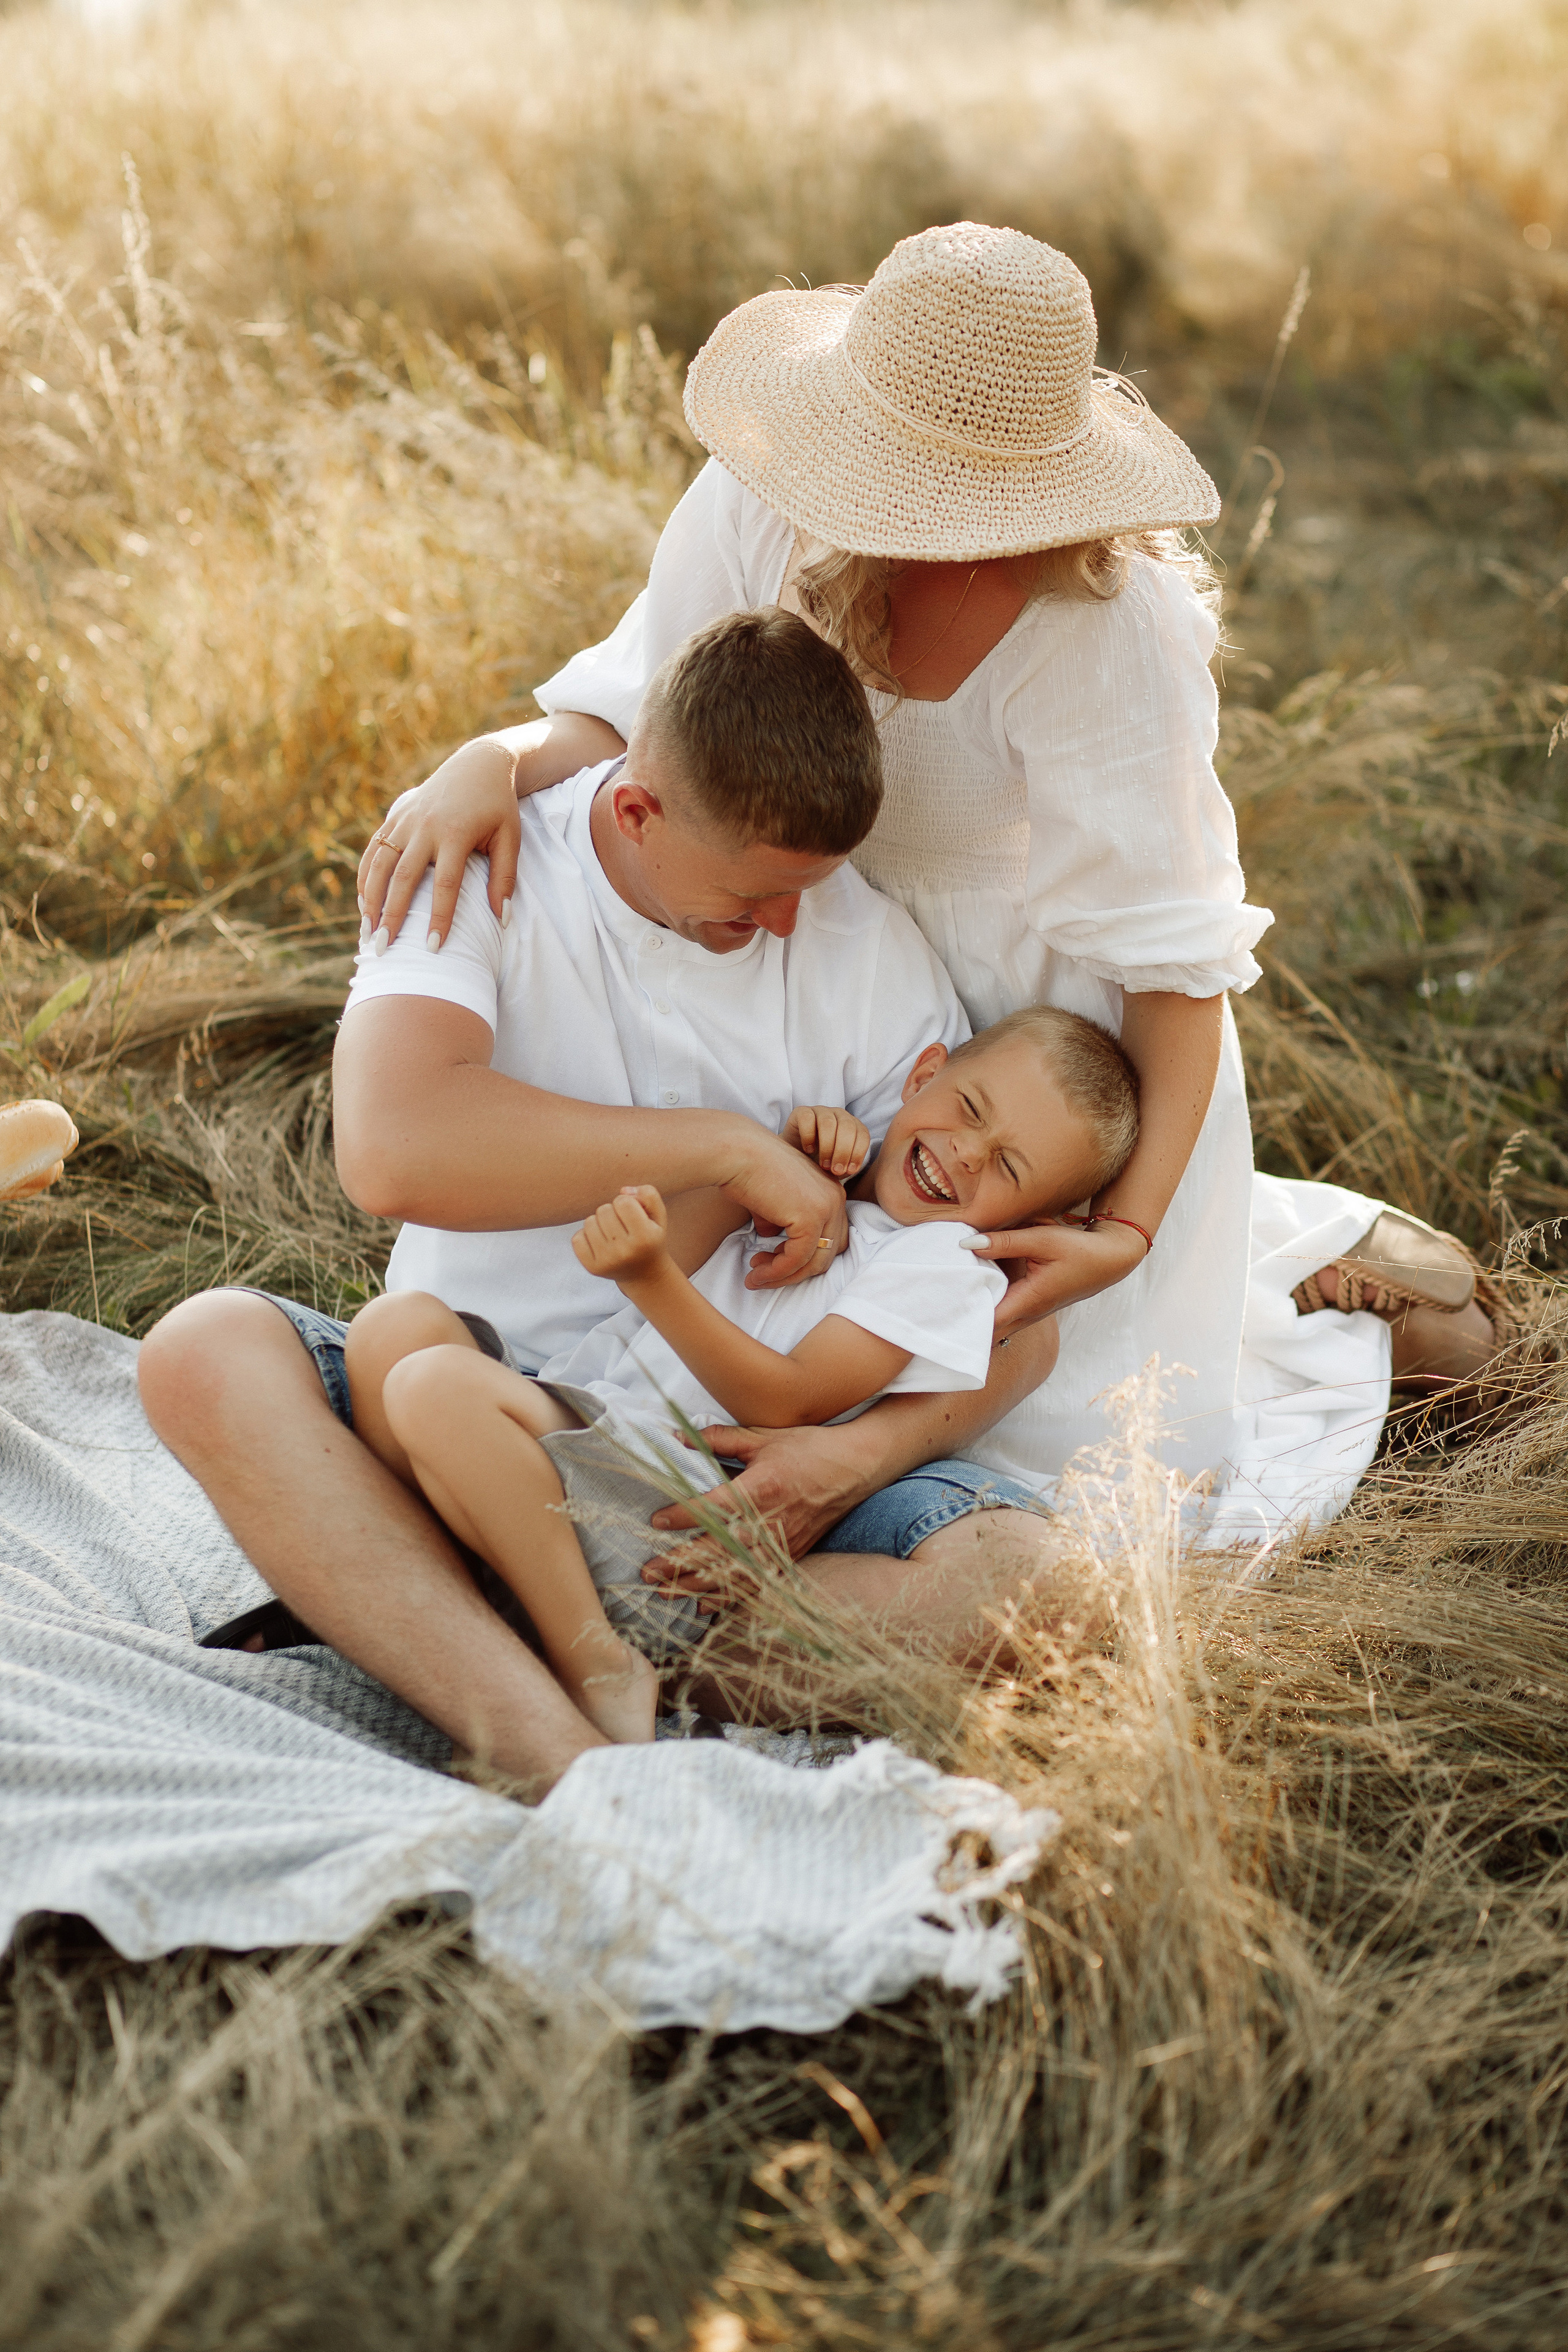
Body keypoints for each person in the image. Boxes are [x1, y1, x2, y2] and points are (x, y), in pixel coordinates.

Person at [358, 221, 1513, 1558]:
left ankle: (1319, 1318)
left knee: (1025, 1395)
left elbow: (1171, 971)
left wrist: (1127, 1231)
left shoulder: (1105, 632)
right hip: (794, 958)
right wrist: (484, 761)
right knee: (760, 1278)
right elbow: (645, 725)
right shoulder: (762, 495)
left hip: (1029, 1031)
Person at [139, 609, 1063, 1789]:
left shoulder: (865, 949)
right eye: (750, 898)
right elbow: (391, 1148)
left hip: (717, 1491)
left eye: (807, 891)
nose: (785, 925)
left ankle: (445, 1608)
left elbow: (1016, 1303)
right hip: (451, 1399)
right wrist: (726, 1152)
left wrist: (855, 1461)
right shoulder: (481, 866)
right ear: (637, 811)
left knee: (1026, 1580)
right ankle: (555, 1742)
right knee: (200, 1351)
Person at [339, 1006, 1140, 1746]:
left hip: (671, 1486)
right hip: (588, 1419)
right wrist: (767, 1174)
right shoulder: (835, 1197)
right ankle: (479, 1600)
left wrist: (649, 1274)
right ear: (925, 1074)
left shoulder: (945, 1264)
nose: (966, 1152)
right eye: (970, 1110)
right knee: (391, 1330)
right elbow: (690, 1247)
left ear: (1035, 1222)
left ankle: (598, 1662)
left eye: (1007, 1166)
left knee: (432, 1386)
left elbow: (787, 1396)